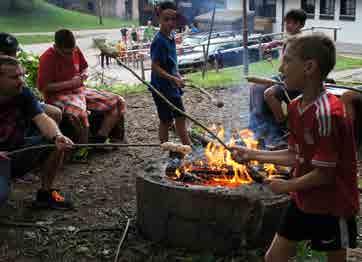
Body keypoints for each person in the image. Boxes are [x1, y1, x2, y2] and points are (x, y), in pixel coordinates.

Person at [233, 33, 359, 262]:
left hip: (332, 204)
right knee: (273, 258)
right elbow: (295, 154)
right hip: (302, 198)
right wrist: (252, 154)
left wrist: (286, 185)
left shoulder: (327, 113)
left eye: (288, 60)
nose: (281, 68)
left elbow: (325, 173)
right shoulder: (293, 106)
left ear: (309, 67)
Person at [0, 55, 74, 209]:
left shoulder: (22, 93)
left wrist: (57, 136)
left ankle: (45, 195)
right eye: (14, 77)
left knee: (54, 144)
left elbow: (42, 118)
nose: (21, 80)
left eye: (22, 75)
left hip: (16, 150)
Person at [37, 29, 126, 144]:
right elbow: (44, 87)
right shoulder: (47, 58)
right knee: (80, 113)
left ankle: (100, 138)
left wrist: (84, 74)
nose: (70, 56)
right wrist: (70, 83)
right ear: (56, 47)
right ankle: (83, 147)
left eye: (72, 52)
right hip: (57, 95)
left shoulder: (75, 49)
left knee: (117, 101)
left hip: (79, 90)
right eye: (66, 53)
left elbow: (84, 67)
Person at [249, 9, 307, 147]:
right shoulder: (293, 38)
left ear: (300, 25)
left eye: (291, 23)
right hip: (284, 77)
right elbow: (286, 42)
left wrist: (282, 68)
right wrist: (274, 43)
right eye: (286, 22)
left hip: (295, 80)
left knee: (269, 93)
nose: (287, 25)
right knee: (255, 87)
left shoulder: (302, 42)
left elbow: (289, 67)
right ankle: (259, 124)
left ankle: (280, 127)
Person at [150, 1, 191, 150]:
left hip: (171, 86)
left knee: (180, 115)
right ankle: (165, 147)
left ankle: (187, 145)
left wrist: (178, 76)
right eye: (166, 19)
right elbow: (155, 67)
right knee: (166, 120)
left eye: (173, 19)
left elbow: (171, 63)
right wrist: (173, 78)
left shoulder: (171, 37)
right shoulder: (159, 41)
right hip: (161, 88)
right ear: (159, 18)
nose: (170, 23)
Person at [0, 32, 62, 124]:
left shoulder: (15, 66)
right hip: (11, 107)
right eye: (8, 53)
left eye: (14, 52)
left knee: (55, 112)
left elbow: (25, 92)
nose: (13, 56)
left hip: (21, 102)